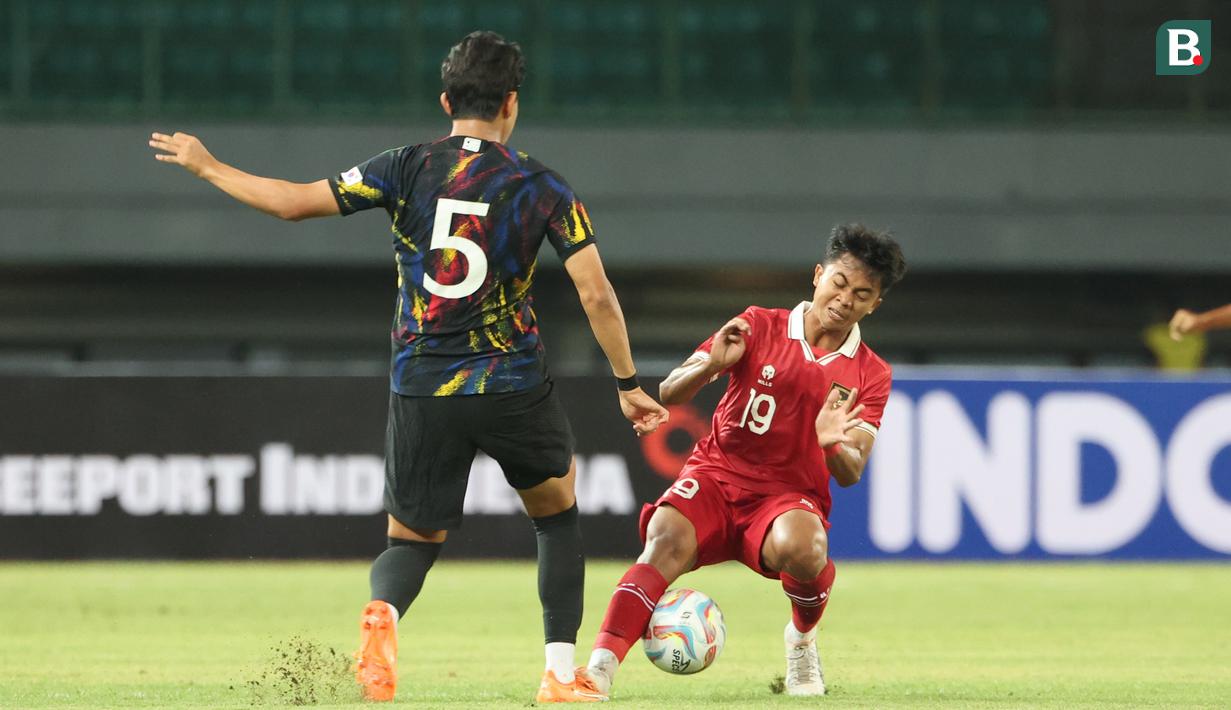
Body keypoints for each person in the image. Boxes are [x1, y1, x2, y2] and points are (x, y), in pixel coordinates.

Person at [149, 30, 667, 704]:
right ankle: (557, 674)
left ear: (445, 99)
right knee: (556, 514)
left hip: (423, 384)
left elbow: (290, 204)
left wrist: (207, 165)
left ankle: (384, 617)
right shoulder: (542, 186)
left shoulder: (404, 166)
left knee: (411, 539)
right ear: (511, 103)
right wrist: (627, 384)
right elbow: (595, 293)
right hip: (510, 381)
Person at [578, 224, 906, 700]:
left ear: (874, 304)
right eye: (839, 282)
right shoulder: (759, 323)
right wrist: (712, 365)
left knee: (807, 547)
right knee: (664, 538)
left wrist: (832, 444)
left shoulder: (870, 373)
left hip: (787, 497)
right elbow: (669, 392)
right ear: (818, 275)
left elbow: (851, 471)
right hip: (717, 475)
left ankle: (801, 639)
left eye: (862, 294)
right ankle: (599, 669)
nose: (844, 299)